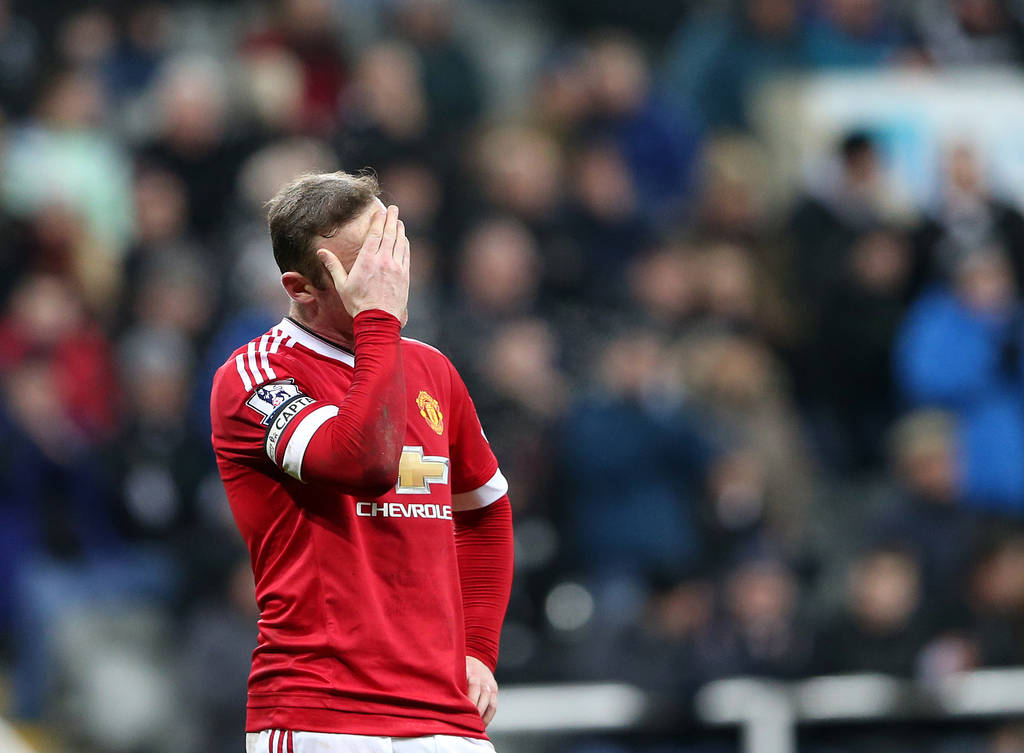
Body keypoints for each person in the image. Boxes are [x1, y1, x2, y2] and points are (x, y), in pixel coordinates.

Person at [209, 171, 514, 752]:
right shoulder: (256, 375)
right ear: (301, 288)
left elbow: (485, 509)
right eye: (366, 267)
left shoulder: (432, 371)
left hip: (445, 717)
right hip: (322, 713)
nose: (390, 277)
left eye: (392, 249)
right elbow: (363, 462)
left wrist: (478, 649)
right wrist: (379, 323)